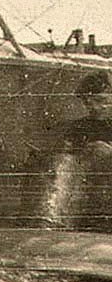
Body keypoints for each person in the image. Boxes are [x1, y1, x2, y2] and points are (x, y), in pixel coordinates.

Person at [45, 70, 112, 232]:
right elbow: (64, 166)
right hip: (88, 203)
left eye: (100, 100)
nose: (95, 107)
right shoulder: (79, 128)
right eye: (88, 103)